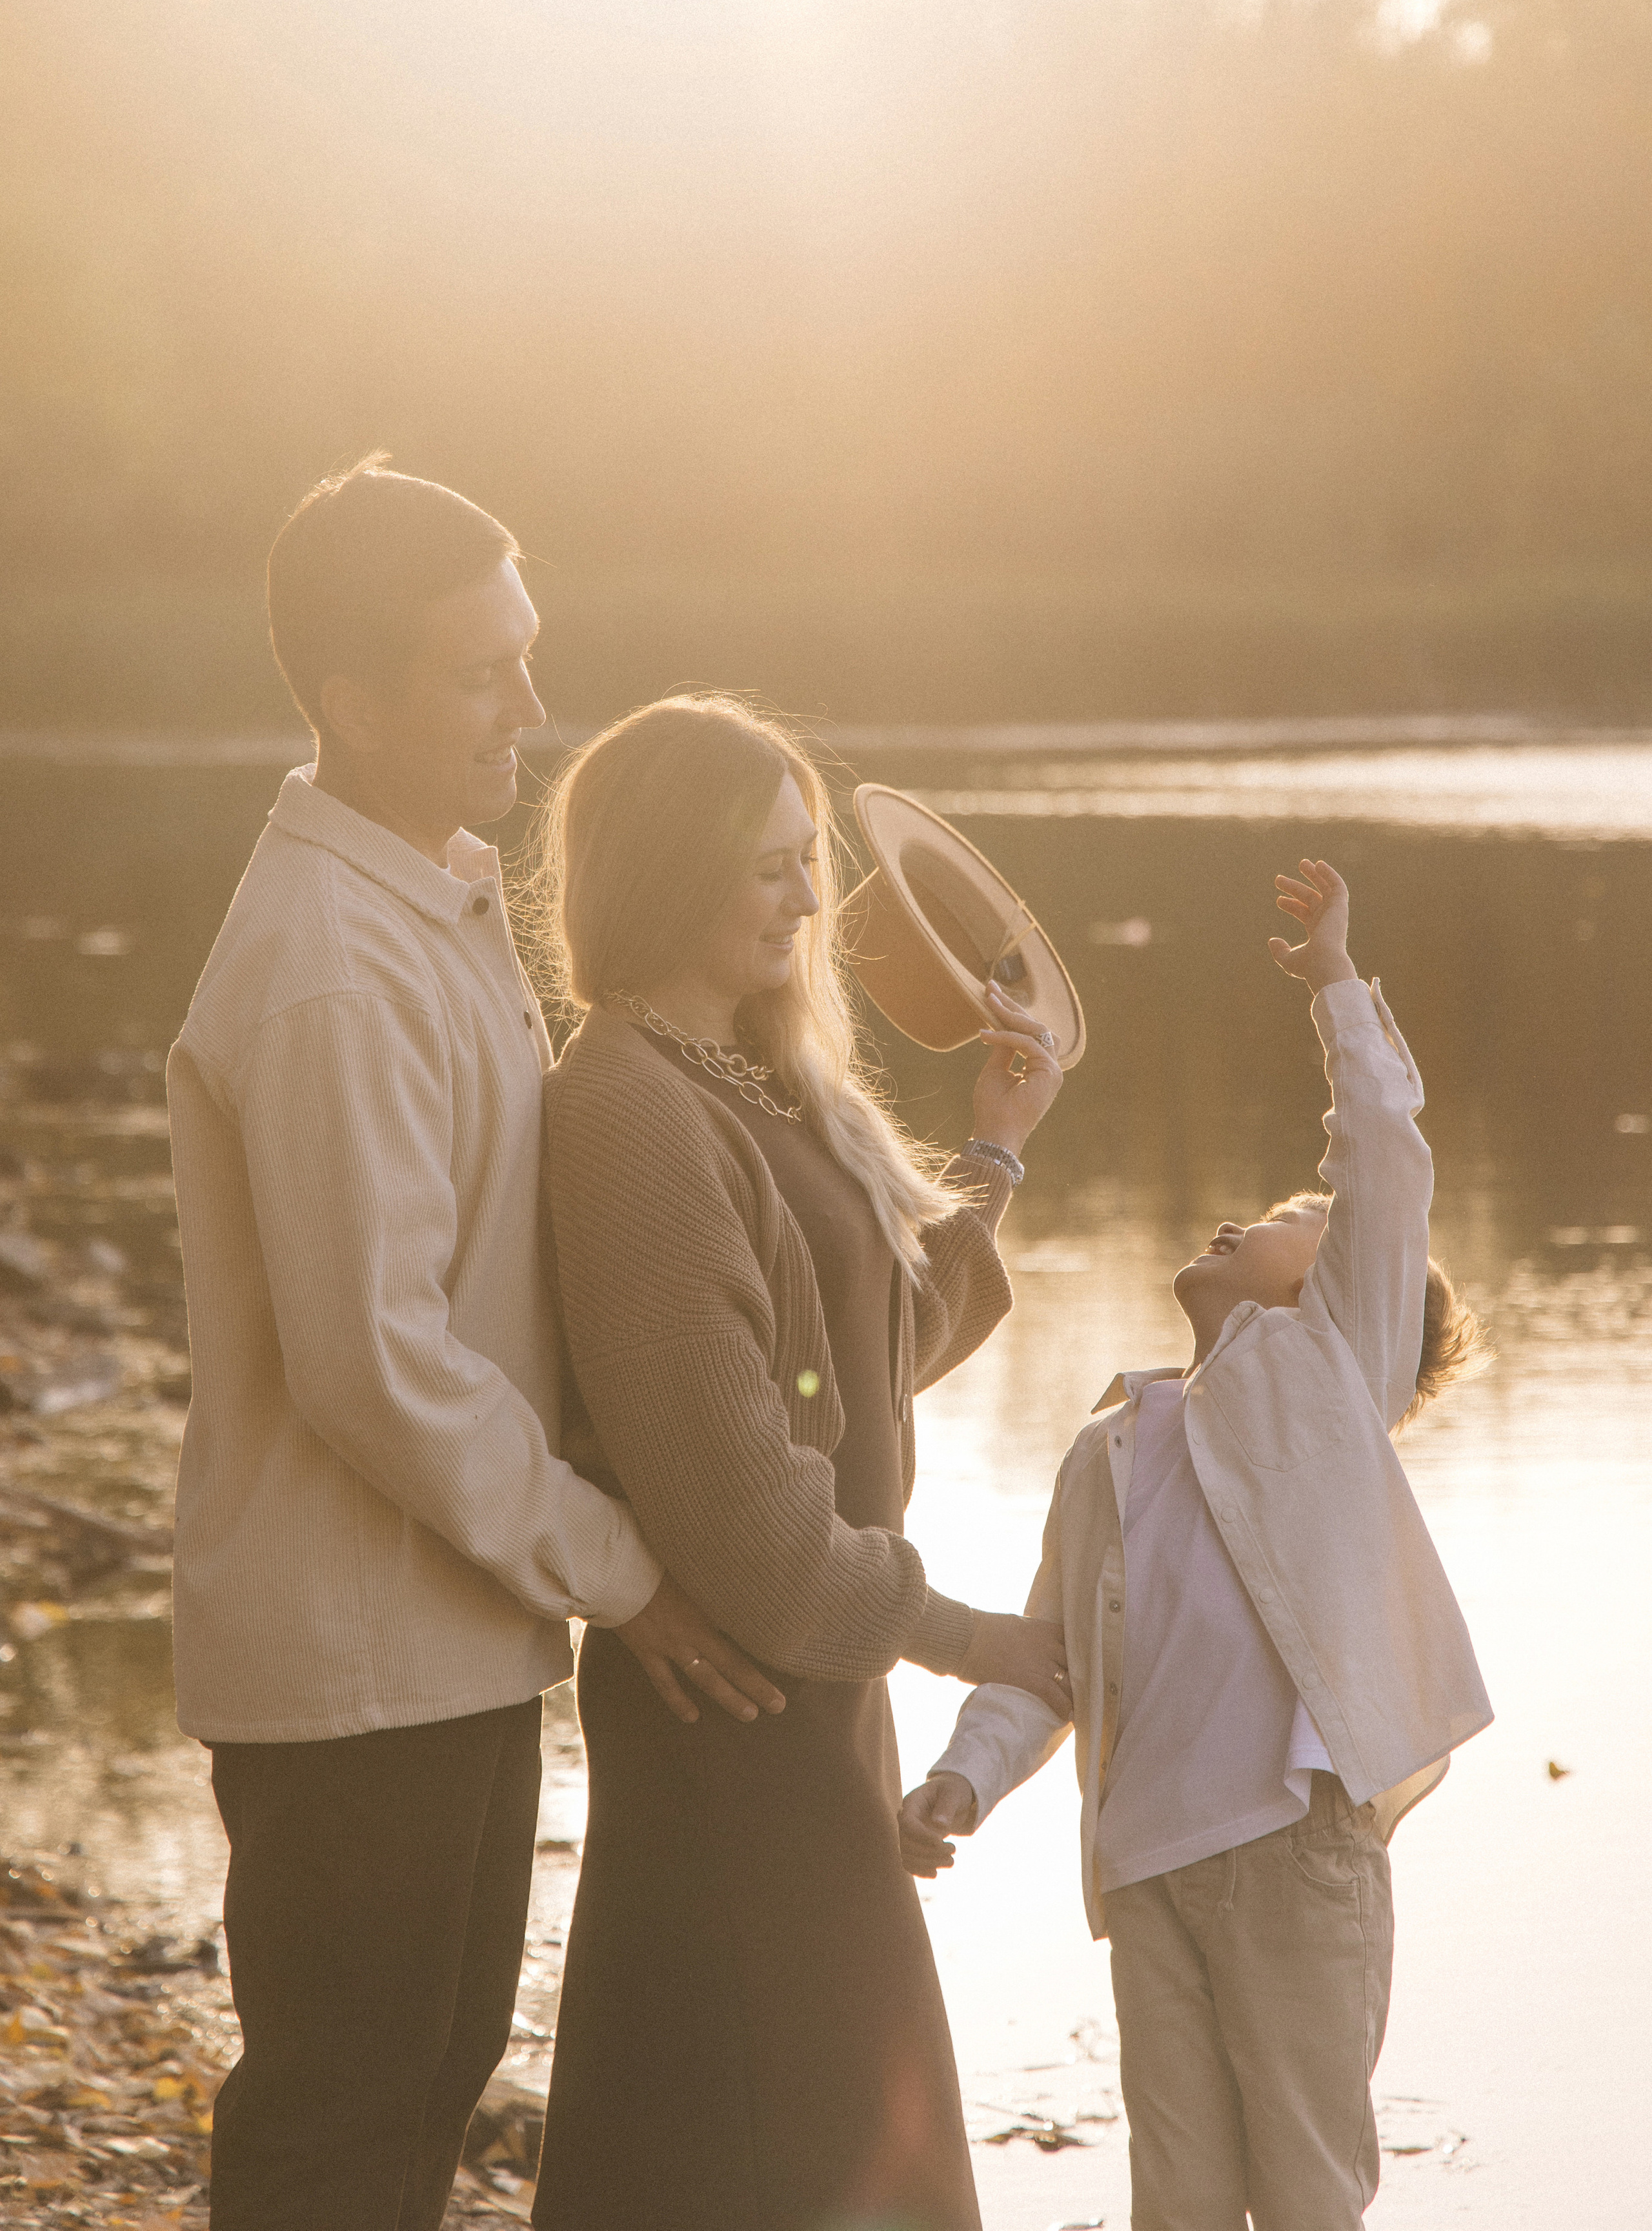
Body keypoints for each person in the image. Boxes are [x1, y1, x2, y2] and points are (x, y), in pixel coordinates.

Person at [166, 458, 781, 2231]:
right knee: (341, 2129)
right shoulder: (331, 972)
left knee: (416, 2100)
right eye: (477, 673)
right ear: (351, 703)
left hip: (445, 1639)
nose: (530, 704)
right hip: (357, 1665)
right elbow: (376, 1362)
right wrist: (621, 1569)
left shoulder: (427, 892)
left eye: (529, 655)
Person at [526, 694, 1074, 2231]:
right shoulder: (626, 1110)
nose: (808, 897)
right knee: (761, 2151)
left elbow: (863, 1354)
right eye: (763, 866)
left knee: (831, 2151)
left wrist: (994, 1158)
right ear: (658, 870)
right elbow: (758, 1537)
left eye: (805, 860)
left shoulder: (751, 1074)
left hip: (818, 1707)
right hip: (738, 1722)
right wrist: (975, 1640)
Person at [900, 859, 1495, 2231]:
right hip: (1148, 1867)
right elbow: (1046, 1662)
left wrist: (1336, 983)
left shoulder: (1325, 1375)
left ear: (1352, 1301)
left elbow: (1382, 1158)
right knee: (1177, 2200)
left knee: (1298, 2190)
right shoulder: (1111, 1445)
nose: (1254, 1218)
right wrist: (958, 1780)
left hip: (1294, 1847)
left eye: (1298, 1226)